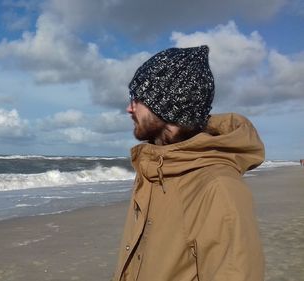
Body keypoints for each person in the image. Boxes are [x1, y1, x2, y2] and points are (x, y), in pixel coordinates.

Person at [113, 45, 265, 281]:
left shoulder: (218, 188)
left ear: (168, 105)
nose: (129, 108)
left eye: (138, 98)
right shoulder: (156, 169)